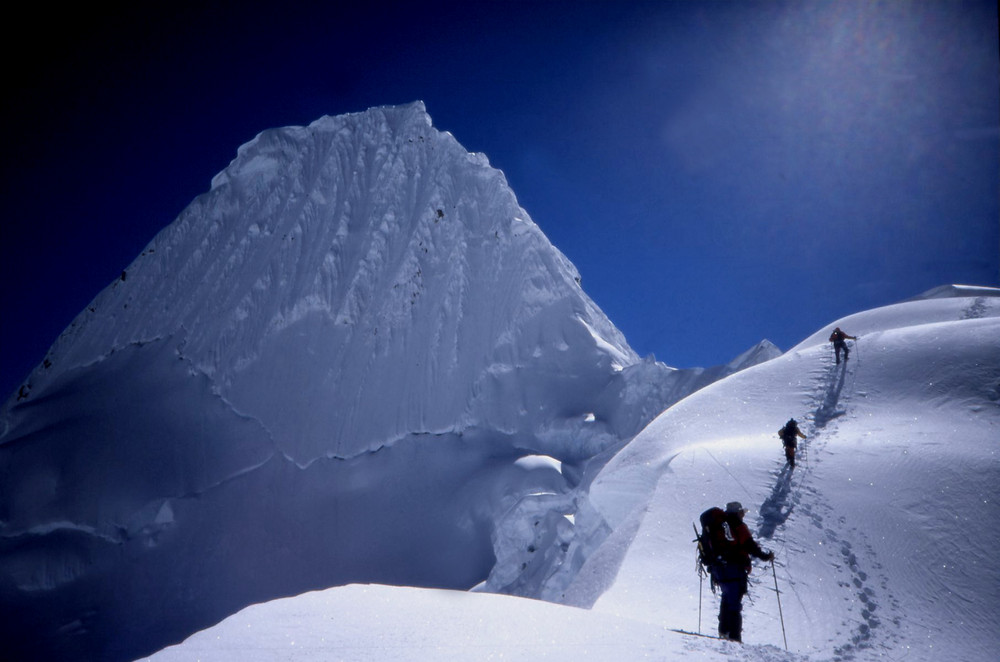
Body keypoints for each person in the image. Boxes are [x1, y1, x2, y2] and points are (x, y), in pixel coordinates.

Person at [700, 502, 775, 642]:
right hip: (734, 569)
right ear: (737, 512)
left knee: (726, 597)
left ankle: (724, 630)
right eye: (742, 512)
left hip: (719, 568)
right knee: (734, 602)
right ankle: (734, 637)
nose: (743, 515)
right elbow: (750, 546)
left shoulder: (719, 525)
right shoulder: (737, 526)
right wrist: (766, 556)